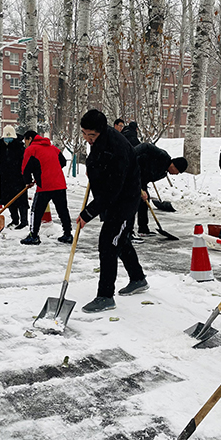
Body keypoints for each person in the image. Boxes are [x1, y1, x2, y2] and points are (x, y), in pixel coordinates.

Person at [78, 110, 148, 313]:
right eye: (84, 134)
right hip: (112, 199)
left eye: (91, 135)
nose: (87, 139)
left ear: (101, 131)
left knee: (108, 243)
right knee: (121, 240)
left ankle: (105, 296)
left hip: (124, 202)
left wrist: (88, 213)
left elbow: (113, 189)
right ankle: (138, 278)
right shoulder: (101, 140)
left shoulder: (117, 147)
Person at [20, 130, 72, 245]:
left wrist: (28, 181)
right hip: (59, 184)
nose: (25, 144)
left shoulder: (31, 150)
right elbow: (63, 162)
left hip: (45, 185)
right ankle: (68, 234)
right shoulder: (52, 147)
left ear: (29, 139)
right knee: (63, 210)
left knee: (36, 211)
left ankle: (33, 235)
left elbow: (25, 169)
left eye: (25, 141)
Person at [134, 142, 187, 237]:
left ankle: (143, 229)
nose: (176, 174)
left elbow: (146, 176)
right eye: (178, 171)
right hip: (132, 172)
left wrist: (142, 189)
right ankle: (127, 233)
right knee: (132, 202)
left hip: (140, 180)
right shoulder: (163, 157)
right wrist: (132, 155)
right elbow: (146, 146)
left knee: (144, 201)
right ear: (174, 165)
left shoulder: (163, 173)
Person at [0, 125, 29, 229]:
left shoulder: (19, 145)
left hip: (18, 176)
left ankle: (24, 221)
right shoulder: (0, 145)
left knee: (21, 199)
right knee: (9, 199)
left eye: (10, 137)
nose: (8, 139)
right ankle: (15, 219)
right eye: (6, 138)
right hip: (5, 176)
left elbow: (25, 159)